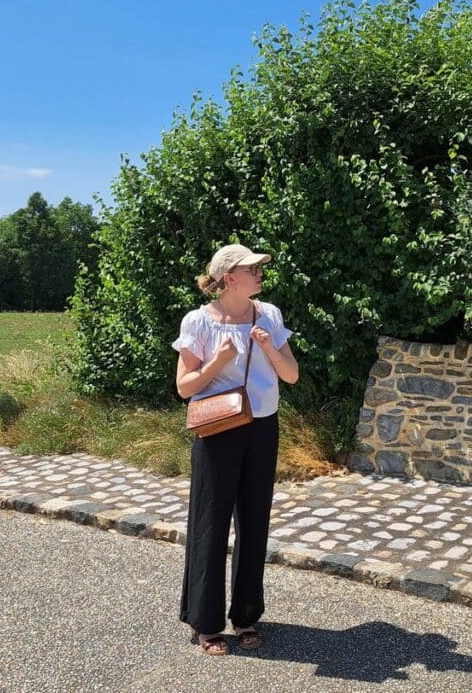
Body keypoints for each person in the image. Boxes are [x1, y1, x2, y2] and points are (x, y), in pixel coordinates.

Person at [172, 243, 299, 655]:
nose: (261, 273)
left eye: (261, 267)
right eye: (252, 269)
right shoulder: (199, 322)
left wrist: (267, 347)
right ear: (230, 278)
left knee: (254, 521)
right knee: (210, 523)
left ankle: (246, 616)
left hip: (263, 427)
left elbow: (292, 375)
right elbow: (184, 387)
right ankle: (205, 623)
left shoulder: (270, 315)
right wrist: (217, 362)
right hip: (218, 429)